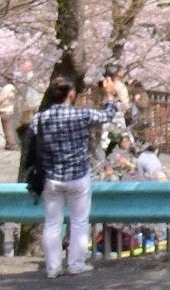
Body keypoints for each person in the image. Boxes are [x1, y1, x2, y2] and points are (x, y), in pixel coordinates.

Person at [31, 76, 127, 279]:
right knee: (79, 221)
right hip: (77, 176)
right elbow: (107, 115)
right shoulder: (80, 115)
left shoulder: (40, 118)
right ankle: (75, 264)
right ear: (71, 94)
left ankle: (52, 268)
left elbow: (31, 139)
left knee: (52, 223)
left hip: (52, 177)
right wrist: (110, 95)